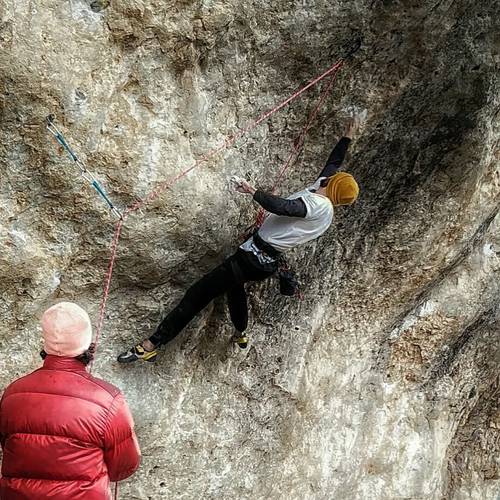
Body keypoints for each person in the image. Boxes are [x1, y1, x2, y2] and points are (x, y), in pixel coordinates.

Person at [118, 115, 362, 363]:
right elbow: (332, 164)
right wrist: (347, 137)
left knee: (197, 295)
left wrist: (251, 190)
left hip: (251, 259)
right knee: (235, 289)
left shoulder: (318, 204)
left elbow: (285, 208)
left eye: (333, 179)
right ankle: (241, 332)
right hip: (264, 262)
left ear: (333, 187)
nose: (330, 176)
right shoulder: (324, 198)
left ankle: (152, 344)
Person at [0, 302, 141, 500]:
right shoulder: (108, 400)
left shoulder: (12, 394)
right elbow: (123, 467)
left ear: (45, 343)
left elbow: (9, 448)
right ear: (86, 343)